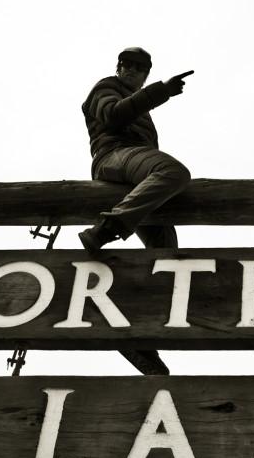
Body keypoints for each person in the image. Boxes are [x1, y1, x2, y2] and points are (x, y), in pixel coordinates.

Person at [80, 46, 193, 375]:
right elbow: (114, 116)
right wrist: (163, 91)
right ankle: (105, 229)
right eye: (126, 65)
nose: (131, 70)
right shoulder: (105, 88)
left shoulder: (142, 107)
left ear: (143, 74)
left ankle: (139, 336)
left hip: (135, 173)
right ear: (118, 68)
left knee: (168, 259)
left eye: (139, 68)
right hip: (113, 158)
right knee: (174, 172)